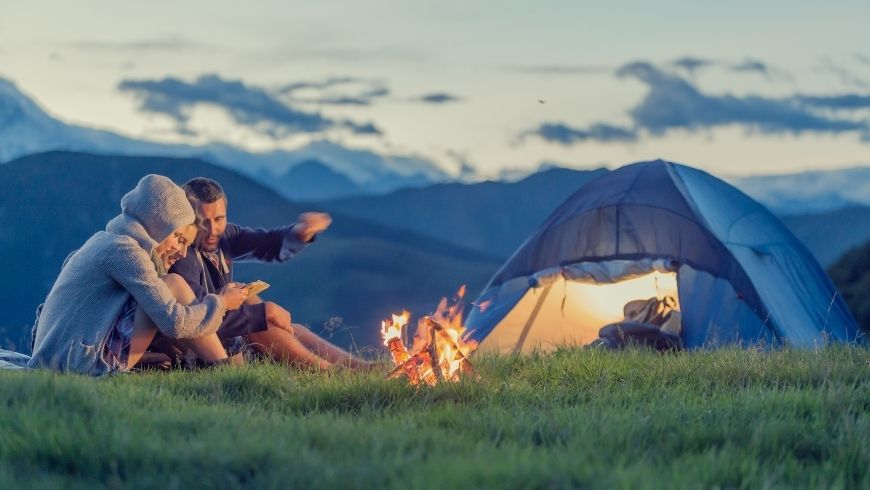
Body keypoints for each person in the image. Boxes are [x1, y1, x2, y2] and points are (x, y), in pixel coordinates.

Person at [29, 174, 249, 375]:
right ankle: (227, 372)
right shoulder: (125, 250)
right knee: (172, 284)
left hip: (62, 357)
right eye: (178, 238)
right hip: (78, 364)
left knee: (167, 287)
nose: (182, 252)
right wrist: (221, 303)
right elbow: (174, 322)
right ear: (159, 224)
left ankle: (211, 366)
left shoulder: (103, 241)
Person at [170, 177, 370, 370]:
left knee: (290, 330)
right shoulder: (182, 254)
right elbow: (195, 318)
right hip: (203, 351)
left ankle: (363, 368)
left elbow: (266, 244)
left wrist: (301, 233)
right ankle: (331, 373)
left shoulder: (225, 236)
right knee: (260, 322)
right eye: (203, 222)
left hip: (226, 337)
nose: (213, 229)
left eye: (219, 219)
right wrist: (262, 313)